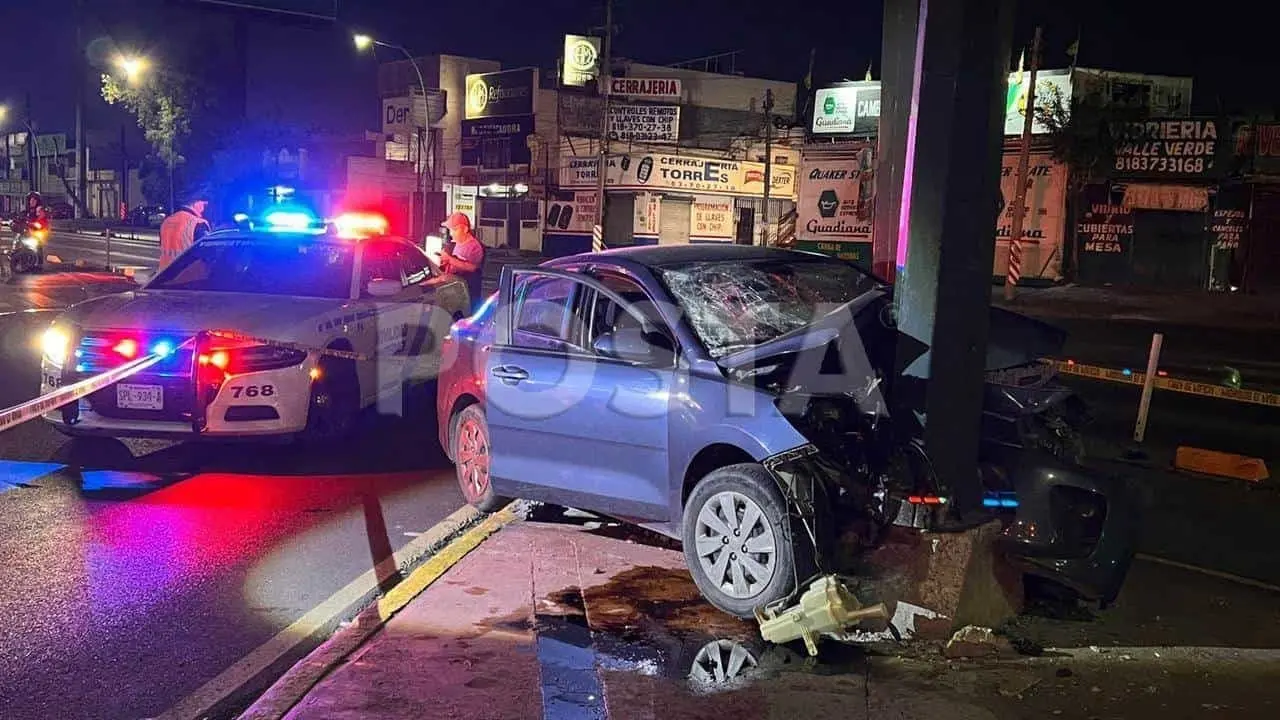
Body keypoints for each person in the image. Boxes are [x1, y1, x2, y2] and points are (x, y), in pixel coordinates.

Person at [438, 212, 486, 314]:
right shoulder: (458, 244)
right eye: (450, 230)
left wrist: (450, 259)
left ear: (465, 229)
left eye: (454, 229)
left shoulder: (475, 247)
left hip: (469, 295)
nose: (451, 233)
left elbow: (472, 267)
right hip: (457, 293)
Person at [158, 190, 211, 271]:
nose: (203, 208)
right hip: (187, 274)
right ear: (195, 204)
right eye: (202, 204)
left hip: (165, 273)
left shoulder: (167, 221)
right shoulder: (198, 223)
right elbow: (205, 253)